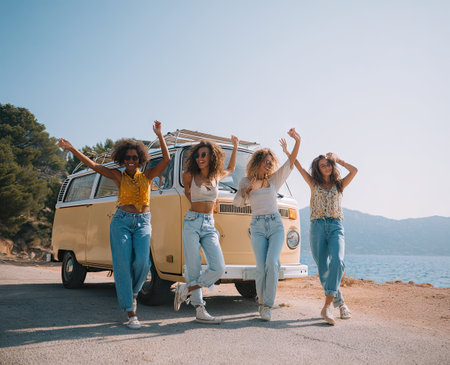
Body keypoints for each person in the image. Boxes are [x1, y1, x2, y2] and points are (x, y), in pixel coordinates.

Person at [58, 121, 170, 329]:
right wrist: (72, 148)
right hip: (121, 222)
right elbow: (94, 166)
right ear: (122, 159)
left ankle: (133, 292)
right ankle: (131, 312)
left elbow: (166, 159)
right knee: (122, 266)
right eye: (127, 158)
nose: (130, 161)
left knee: (143, 263)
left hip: (143, 221)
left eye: (134, 158)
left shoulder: (147, 176)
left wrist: (160, 134)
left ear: (140, 159)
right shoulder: (118, 176)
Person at [280, 138, 357, 325]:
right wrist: (287, 151)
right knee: (323, 269)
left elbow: (354, 170)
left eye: (329, 164)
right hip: (317, 227)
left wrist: (338, 159)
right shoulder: (313, 183)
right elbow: (297, 165)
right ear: (318, 168)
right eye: (323, 165)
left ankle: (328, 306)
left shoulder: (340, 184)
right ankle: (340, 304)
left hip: (336, 226)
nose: (327, 168)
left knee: (338, 262)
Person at [233, 129, 300, 321]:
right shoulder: (246, 181)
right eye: (267, 161)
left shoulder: (273, 181)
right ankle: (261, 302)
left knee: (273, 262)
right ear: (258, 162)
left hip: (275, 224)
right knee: (261, 267)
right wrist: (246, 191)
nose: (269, 165)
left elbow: (291, 163)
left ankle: (268, 304)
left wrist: (297, 142)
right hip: (257, 226)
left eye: (271, 162)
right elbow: (237, 203)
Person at [174, 135, 239, 324]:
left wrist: (235, 146)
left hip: (209, 224)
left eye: (204, 154)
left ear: (212, 157)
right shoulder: (188, 175)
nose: (200, 158)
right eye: (197, 155)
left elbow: (231, 168)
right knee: (193, 267)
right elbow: (188, 194)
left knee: (218, 267)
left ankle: (185, 289)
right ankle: (199, 310)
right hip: (192, 222)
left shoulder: (216, 176)